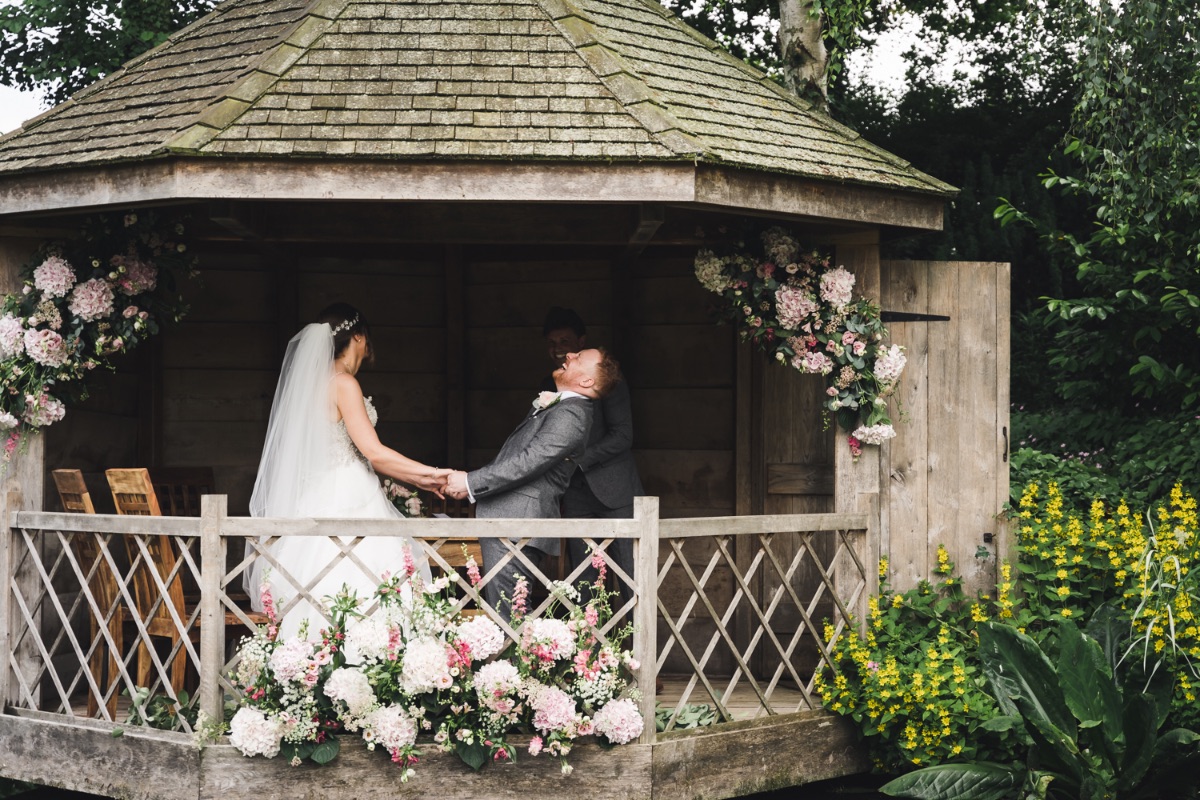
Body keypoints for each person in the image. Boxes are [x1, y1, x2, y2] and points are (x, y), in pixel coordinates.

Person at [246, 303, 446, 639]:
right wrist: (431, 475)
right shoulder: (343, 383)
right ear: (358, 337)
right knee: (371, 590)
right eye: (366, 340)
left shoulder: (309, 387)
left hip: (315, 497)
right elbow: (374, 452)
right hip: (351, 497)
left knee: (320, 595)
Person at [445, 348, 620, 618]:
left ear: (586, 382)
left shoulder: (572, 415)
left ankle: (519, 661)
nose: (570, 354)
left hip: (517, 525)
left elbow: (529, 461)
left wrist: (470, 482)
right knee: (506, 617)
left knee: (510, 619)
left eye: (579, 358)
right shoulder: (563, 407)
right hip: (511, 521)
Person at [540, 308, 642, 607]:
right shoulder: (548, 385)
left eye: (565, 341)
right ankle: (592, 652)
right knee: (582, 583)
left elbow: (623, 435)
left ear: (581, 342)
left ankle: (641, 653)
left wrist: (578, 460)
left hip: (617, 490)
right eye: (552, 342)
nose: (558, 349)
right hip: (574, 494)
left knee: (632, 579)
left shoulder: (609, 380)